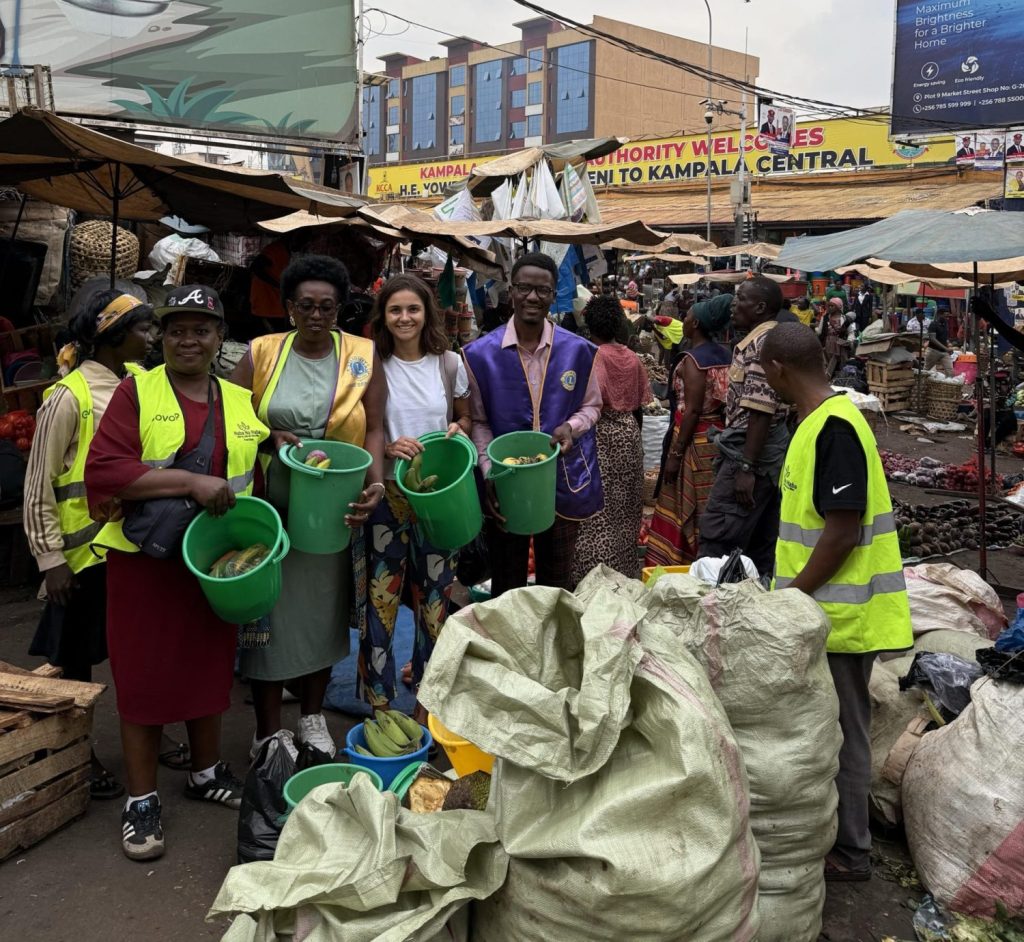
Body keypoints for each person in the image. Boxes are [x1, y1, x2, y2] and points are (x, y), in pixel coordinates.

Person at [84, 285, 269, 861]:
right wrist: (190, 482)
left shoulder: (239, 402)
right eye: (176, 329)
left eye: (201, 329)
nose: (189, 338)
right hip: (145, 565)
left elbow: (250, 477)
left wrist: (284, 449)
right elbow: (107, 470)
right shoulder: (136, 392)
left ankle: (206, 770)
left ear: (219, 340)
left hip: (214, 563)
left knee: (208, 668)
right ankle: (141, 800)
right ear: (159, 337)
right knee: (143, 679)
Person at [761, 322, 912, 881]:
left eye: (763, 371)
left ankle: (851, 852)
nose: (764, 380)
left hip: (842, 616)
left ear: (779, 369)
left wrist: (790, 598)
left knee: (845, 733)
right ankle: (837, 834)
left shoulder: (836, 428)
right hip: (822, 611)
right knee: (829, 728)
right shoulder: (814, 423)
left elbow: (842, 532)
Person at [231, 255, 387, 759]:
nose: (317, 315)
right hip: (272, 502)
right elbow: (229, 416)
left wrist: (376, 483)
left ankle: (313, 717)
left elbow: (377, 425)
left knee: (323, 612)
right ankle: (268, 729)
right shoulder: (261, 353)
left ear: (339, 308)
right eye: (306, 306)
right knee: (269, 615)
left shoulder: (361, 354)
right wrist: (267, 433)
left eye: (327, 306)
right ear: (289, 308)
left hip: (332, 505)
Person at [24, 291, 153, 802]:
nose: (151, 338)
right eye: (142, 329)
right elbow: (38, 485)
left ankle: (145, 734)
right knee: (76, 662)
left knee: (133, 651)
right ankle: (77, 751)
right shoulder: (68, 395)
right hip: (79, 559)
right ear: (112, 335)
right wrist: (50, 560)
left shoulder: (143, 384)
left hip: (130, 548)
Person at [356, 274, 471, 717]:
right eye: (395, 310)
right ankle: (380, 704)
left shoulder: (449, 364)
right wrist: (385, 447)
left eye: (413, 309)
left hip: (439, 497)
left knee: (436, 601)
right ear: (383, 317)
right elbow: (364, 426)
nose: (405, 318)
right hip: (388, 494)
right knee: (381, 599)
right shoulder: (370, 364)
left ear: (428, 314)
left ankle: (428, 701)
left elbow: (465, 416)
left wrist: (457, 429)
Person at [464, 251, 603, 595]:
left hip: (562, 479)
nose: (532, 297)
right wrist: (488, 470)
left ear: (554, 295)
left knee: (556, 583)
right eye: (524, 288)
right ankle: (510, 648)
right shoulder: (480, 354)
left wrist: (572, 426)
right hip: (505, 481)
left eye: (542, 291)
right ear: (511, 291)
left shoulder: (578, 351)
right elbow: (479, 422)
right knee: (507, 584)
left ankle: (553, 648)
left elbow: (592, 406)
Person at [698, 276, 790, 577]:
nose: (733, 305)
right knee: (759, 540)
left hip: (750, 455)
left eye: (741, 299)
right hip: (754, 453)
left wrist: (746, 468)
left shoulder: (764, 344)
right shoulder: (759, 340)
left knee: (718, 535)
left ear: (761, 307)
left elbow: (761, 410)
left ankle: (712, 601)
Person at [646, 295, 731, 567]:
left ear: (694, 324)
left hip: (695, 440)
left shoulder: (694, 361)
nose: (682, 322)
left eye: (687, 317)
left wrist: (675, 454)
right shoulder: (725, 354)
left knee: (685, 507)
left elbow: (691, 411)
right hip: (718, 437)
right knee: (708, 505)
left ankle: (680, 562)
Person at [571, 296, 652, 582]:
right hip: (629, 436)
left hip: (600, 437)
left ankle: (594, 577)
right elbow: (640, 406)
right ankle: (624, 575)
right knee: (626, 508)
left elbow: (585, 405)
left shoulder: (591, 355)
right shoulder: (632, 357)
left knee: (596, 511)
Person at [822, 298, 857, 378]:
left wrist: (849, 340)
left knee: (841, 363)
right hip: (828, 344)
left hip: (840, 345)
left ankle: (839, 379)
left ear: (838, 307)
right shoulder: (825, 318)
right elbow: (820, 331)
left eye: (832, 306)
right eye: (829, 306)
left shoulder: (844, 319)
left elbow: (851, 331)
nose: (829, 307)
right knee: (827, 362)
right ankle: (828, 379)